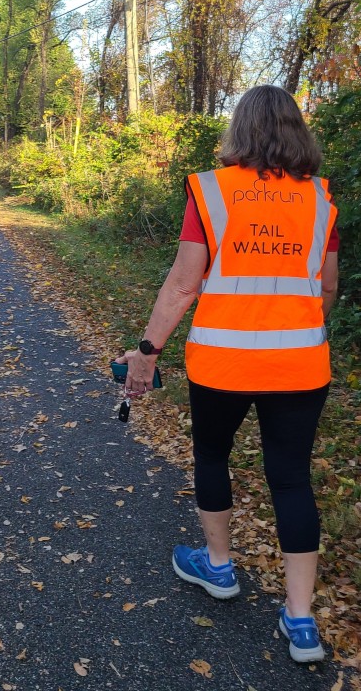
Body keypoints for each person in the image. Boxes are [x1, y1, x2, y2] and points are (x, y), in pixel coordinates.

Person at [116, 86, 338, 665]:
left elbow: (185, 283)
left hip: (224, 361)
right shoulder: (320, 198)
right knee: (290, 480)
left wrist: (148, 350)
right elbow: (328, 288)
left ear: (239, 128)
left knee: (213, 458)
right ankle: (302, 621)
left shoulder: (213, 191)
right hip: (299, 363)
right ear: (297, 132)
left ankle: (218, 569)